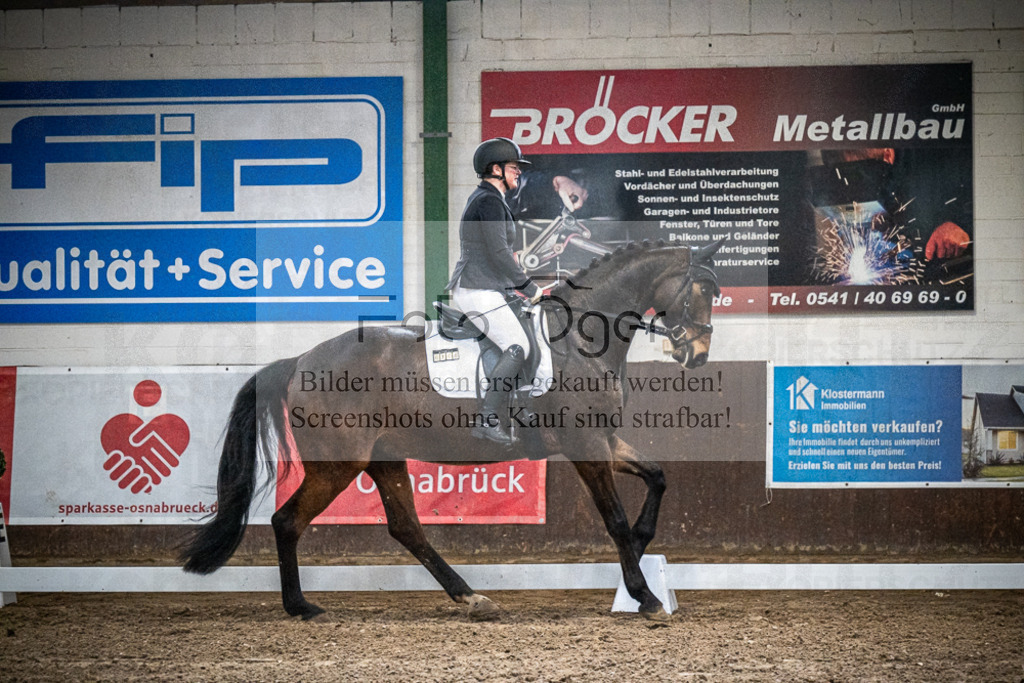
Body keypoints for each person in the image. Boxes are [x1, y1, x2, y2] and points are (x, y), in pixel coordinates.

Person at [446, 137, 542, 445]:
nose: (519, 173)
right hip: (476, 287)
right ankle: (487, 419)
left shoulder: (492, 199)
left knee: (528, 333)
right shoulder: (487, 201)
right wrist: (530, 288)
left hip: (488, 285)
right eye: (514, 168)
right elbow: (499, 253)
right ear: (496, 169)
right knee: (517, 345)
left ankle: (523, 408)